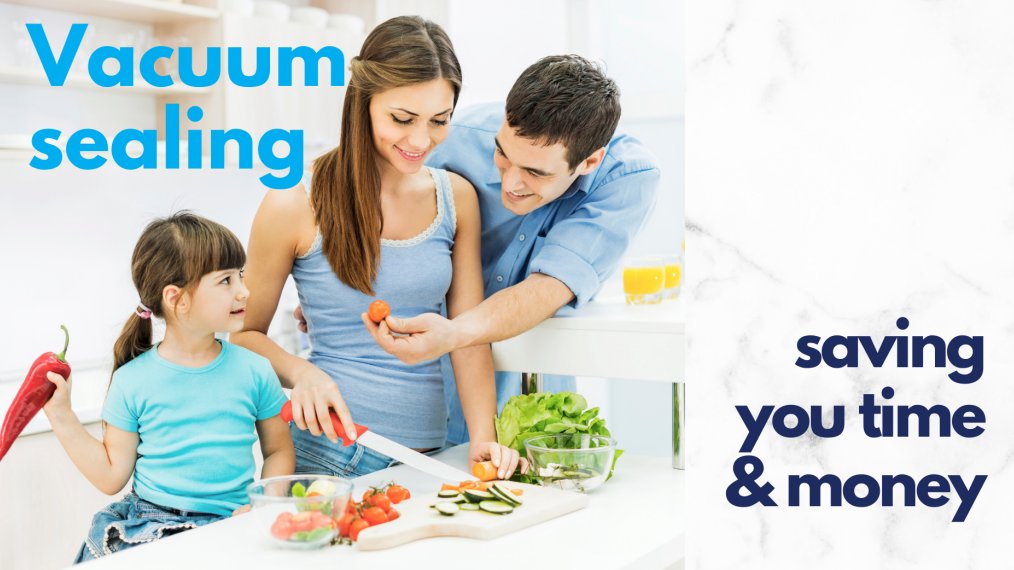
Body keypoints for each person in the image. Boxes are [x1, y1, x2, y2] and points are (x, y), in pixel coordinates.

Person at [232, 16, 523, 480]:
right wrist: (302, 373)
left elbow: (467, 339)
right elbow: (244, 336)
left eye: (439, 121)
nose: (420, 140)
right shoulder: (295, 201)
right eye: (402, 119)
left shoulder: (456, 199)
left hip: (428, 459)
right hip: (327, 454)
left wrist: (483, 440)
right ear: (362, 102)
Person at [358, 55, 661, 444]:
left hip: (529, 391)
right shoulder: (456, 138)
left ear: (589, 161)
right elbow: (370, 200)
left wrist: (455, 333)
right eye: (503, 155)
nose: (512, 184)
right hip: (420, 384)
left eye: (535, 172)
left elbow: (551, 286)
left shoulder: (626, 177)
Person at [42, 213, 295, 563]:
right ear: (177, 298)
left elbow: (279, 450)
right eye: (226, 280)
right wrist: (61, 415)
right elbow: (111, 476)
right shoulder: (132, 381)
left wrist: (266, 502)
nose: (244, 290)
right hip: (149, 527)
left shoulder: (255, 370)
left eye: (241, 274)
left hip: (233, 523)